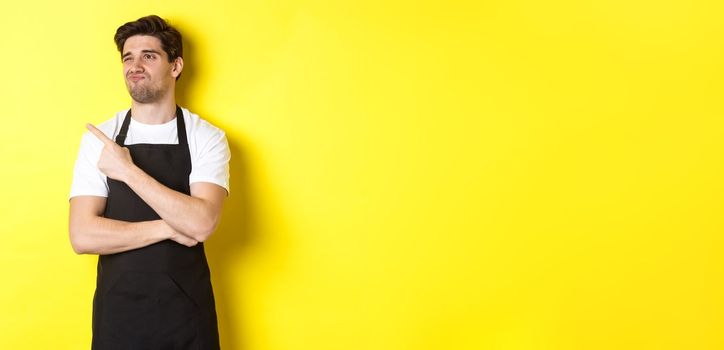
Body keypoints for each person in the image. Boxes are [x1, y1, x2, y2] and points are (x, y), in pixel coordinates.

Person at [68, 15, 228, 349]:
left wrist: (127, 171)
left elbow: (201, 223)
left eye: (149, 56)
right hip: (118, 315)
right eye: (128, 57)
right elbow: (82, 235)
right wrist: (168, 228)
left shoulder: (207, 137)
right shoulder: (102, 137)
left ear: (176, 65)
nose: (135, 66)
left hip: (187, 316)